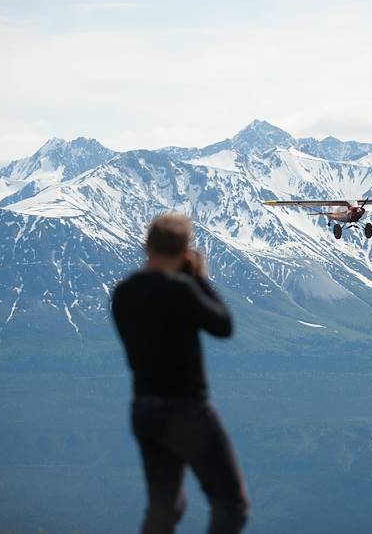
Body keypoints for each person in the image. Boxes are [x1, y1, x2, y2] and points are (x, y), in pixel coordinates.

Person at [111, 213, 248, 534]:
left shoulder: (123, 293)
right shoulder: (182, 289)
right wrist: (198, 277)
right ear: (185, 250)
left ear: (146, 246)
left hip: (143, 409)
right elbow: (222, 325)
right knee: (231, 505)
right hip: (187, 409)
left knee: (166, 507)